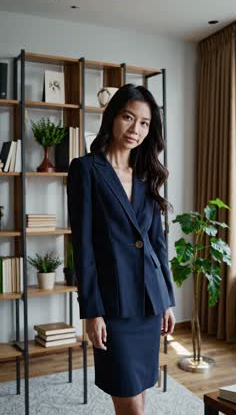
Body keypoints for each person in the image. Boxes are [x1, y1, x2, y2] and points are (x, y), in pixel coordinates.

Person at [67, 83, 176, 415]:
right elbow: (83, 245)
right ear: (112, 117)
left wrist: (167, 299)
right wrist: (92, 311)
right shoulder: (86, 169)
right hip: (113, 304)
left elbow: (157, 242)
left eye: (144, 123)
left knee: (141, 392)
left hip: (149, 300)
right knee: (129, 402)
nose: (136, 129)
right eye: (129, 117)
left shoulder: (146, 174)